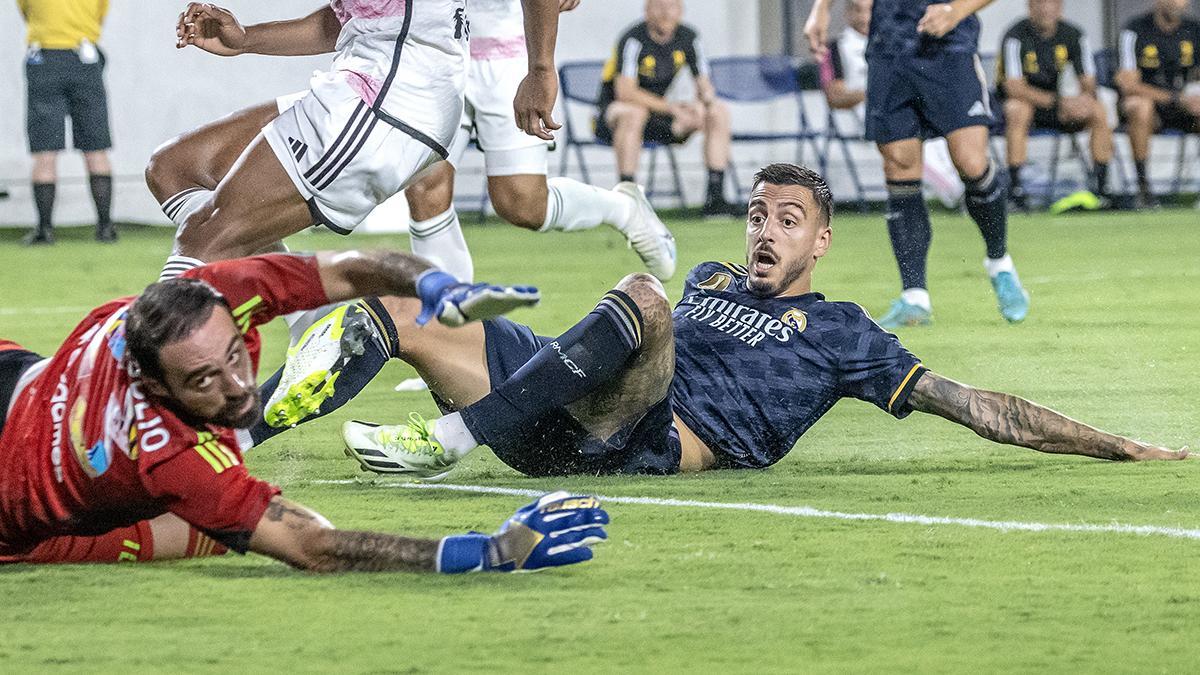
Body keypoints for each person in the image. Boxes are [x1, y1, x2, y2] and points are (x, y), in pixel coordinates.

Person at [248, 164, 1185, 478]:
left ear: (820, 241)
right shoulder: (709, 276)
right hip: (560, 403)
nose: (764, 232)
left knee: (642, 297)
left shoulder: (845, 330)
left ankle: (450, 439)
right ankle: (241, 431)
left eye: (786, 221)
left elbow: (977, 404)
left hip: (641, 438)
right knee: (394, 306)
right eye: (757, 215)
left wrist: (1117, 446)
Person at [0, 248, 609, 571]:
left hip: (17, 375)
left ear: (232, 312)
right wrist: (486, 552)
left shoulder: (227, 290)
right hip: (12, 496)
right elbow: (314, 546)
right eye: (203, 380)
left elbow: (347, 270)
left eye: (236, 356)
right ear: (157, 389)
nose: (239, 387)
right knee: (208, 536)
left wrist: (432, 283)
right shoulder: (170, 459)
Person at [146, 1, 675, 287]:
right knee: (173, 169)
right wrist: (246, 41)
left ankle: (130, 379)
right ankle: (311, 312)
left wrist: (540, 68)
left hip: (404, 91)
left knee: (521, 203)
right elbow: (351, 15)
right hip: (376, 78)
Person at [401, 0, 676, 285]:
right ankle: (449, 313)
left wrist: (542, 70)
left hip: (507, 54)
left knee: (522, 205)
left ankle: (623, 209)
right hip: (436, 50)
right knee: (423, 185)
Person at [805, 0, 1030, 329]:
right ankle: (914, 297)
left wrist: (956, 12)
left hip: (948, 46)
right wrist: (821, 9)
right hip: (889, 48)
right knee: (899, 166)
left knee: (971, 161)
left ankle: (1000, 263)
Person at [595, 0, 740, 217]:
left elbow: (703, 83)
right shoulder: (634, 39)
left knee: (717, 111)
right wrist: (672, 109)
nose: (665, 12)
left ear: (680, 11)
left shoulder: (689, 37)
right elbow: (625, 92)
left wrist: (702, 105)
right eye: (659, 6)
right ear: (647, 10)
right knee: (634, 113)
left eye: (671, 6)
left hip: (660, 118)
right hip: (614, 116)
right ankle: (626, 199)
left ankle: (715, 199)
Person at [818, 0, 964, 209]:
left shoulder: (896, 41)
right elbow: (834, 95)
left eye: (868, 11)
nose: (863, 18)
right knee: (912, 146)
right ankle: (954, 192)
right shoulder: (836, 47)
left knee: (936, 139)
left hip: (902, 102)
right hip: (862, 110)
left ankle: (962, 187)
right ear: (847, 14)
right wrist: (873, 93)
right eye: (857, 11)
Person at [997, 0, 1113, 209]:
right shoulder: (1015, 36)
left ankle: (1102, 188)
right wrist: (1060, 102)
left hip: (1058, 106)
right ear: (1030, 7)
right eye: (1040, 3)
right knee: (1018, 110)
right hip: (1027, 104)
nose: (1046, 8)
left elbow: (1088, 80)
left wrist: (1083, 100)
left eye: (1052, 3)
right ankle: (1016, 191)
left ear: (1060, 8)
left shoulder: (1074, 34)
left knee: (1097, 109)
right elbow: (1014, 88)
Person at [18, 0, 116, 245]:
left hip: (44, 58)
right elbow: (100, 14)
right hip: (84, 57)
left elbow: (26, 11)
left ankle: (44, 229)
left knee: (45, 150)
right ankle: (105, 228)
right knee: (96, 147)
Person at [1116, 0, 1200, 209]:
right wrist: (1173, 98)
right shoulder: (1134, 29)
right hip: (1150, 106)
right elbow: (1128, 84)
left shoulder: (1194, 30)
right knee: (1140, 106)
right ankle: (1143, 188)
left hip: (1183, 106)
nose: (1176, 3)